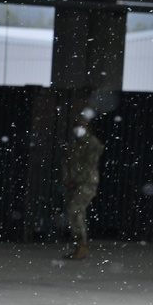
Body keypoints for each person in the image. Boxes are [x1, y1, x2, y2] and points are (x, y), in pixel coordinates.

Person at [62, 111, 103, 260]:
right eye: (77, 125)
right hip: (74, 184)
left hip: (86, 183)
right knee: (77, 212)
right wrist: (67, 179)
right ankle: (80, 244)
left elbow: (89, 165)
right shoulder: (74, 144)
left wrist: (77, 179)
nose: (79, 128)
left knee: (75, 210)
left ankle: (81, 244)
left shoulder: (92, 144)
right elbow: (66, 163)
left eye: (81, 125)